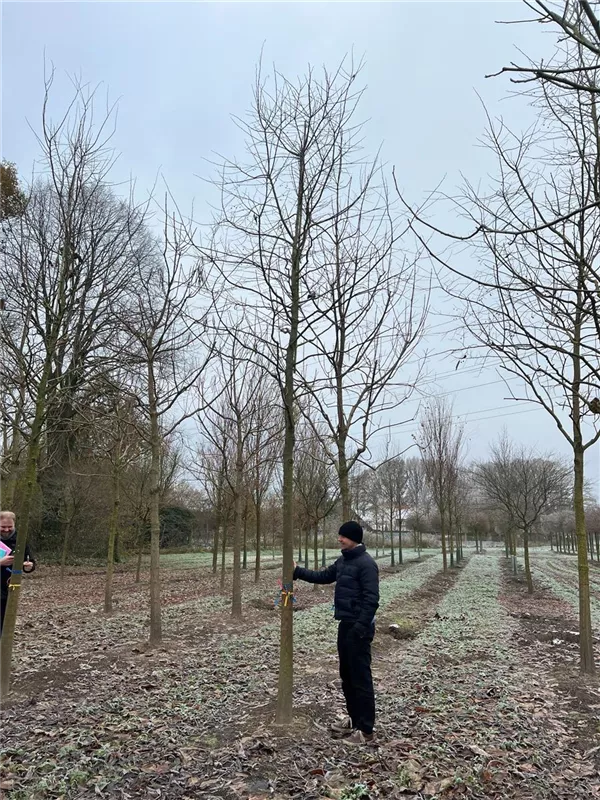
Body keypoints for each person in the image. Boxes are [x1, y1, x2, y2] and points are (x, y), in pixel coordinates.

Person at [293, 520, 379, 745]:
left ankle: (366, 730)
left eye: (344, 536)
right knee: (347, 677)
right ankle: (353, 720)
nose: (339, 539)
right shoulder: (344, 561)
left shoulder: (366, 564)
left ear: (355, 539)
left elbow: (372, 600)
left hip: (359, 628)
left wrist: (360, 629)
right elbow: (323, 576)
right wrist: (297, 572)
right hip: (345, 624)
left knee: (361, 679)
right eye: (339, 535)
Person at [0, 510, 35, 638]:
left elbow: (30, 561)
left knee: (4, 622)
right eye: (3, 527)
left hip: (10, 587)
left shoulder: (21, 540)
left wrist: (28, 566)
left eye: (10, 527)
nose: (6, 530)